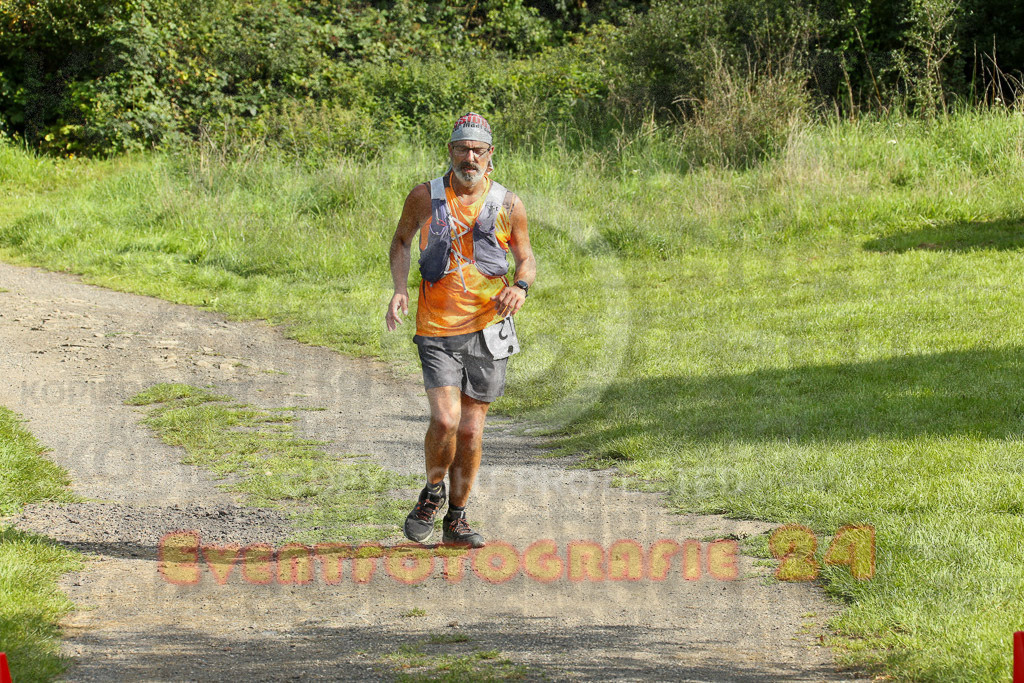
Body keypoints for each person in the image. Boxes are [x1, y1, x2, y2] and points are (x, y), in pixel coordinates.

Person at [385, 113, 535, 548]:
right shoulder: (424, 196)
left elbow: (525, 258)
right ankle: (432, 493)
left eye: (478, 150)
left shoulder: (508, 204)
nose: (469, 157)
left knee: (470, 431)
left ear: (491, 156)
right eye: (461, 149)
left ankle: (456, 518)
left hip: (489, 328)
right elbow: (400, 241)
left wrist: (521, 287)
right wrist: (399, 290)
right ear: (449, 151)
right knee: (445, 419)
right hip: (436, 328)